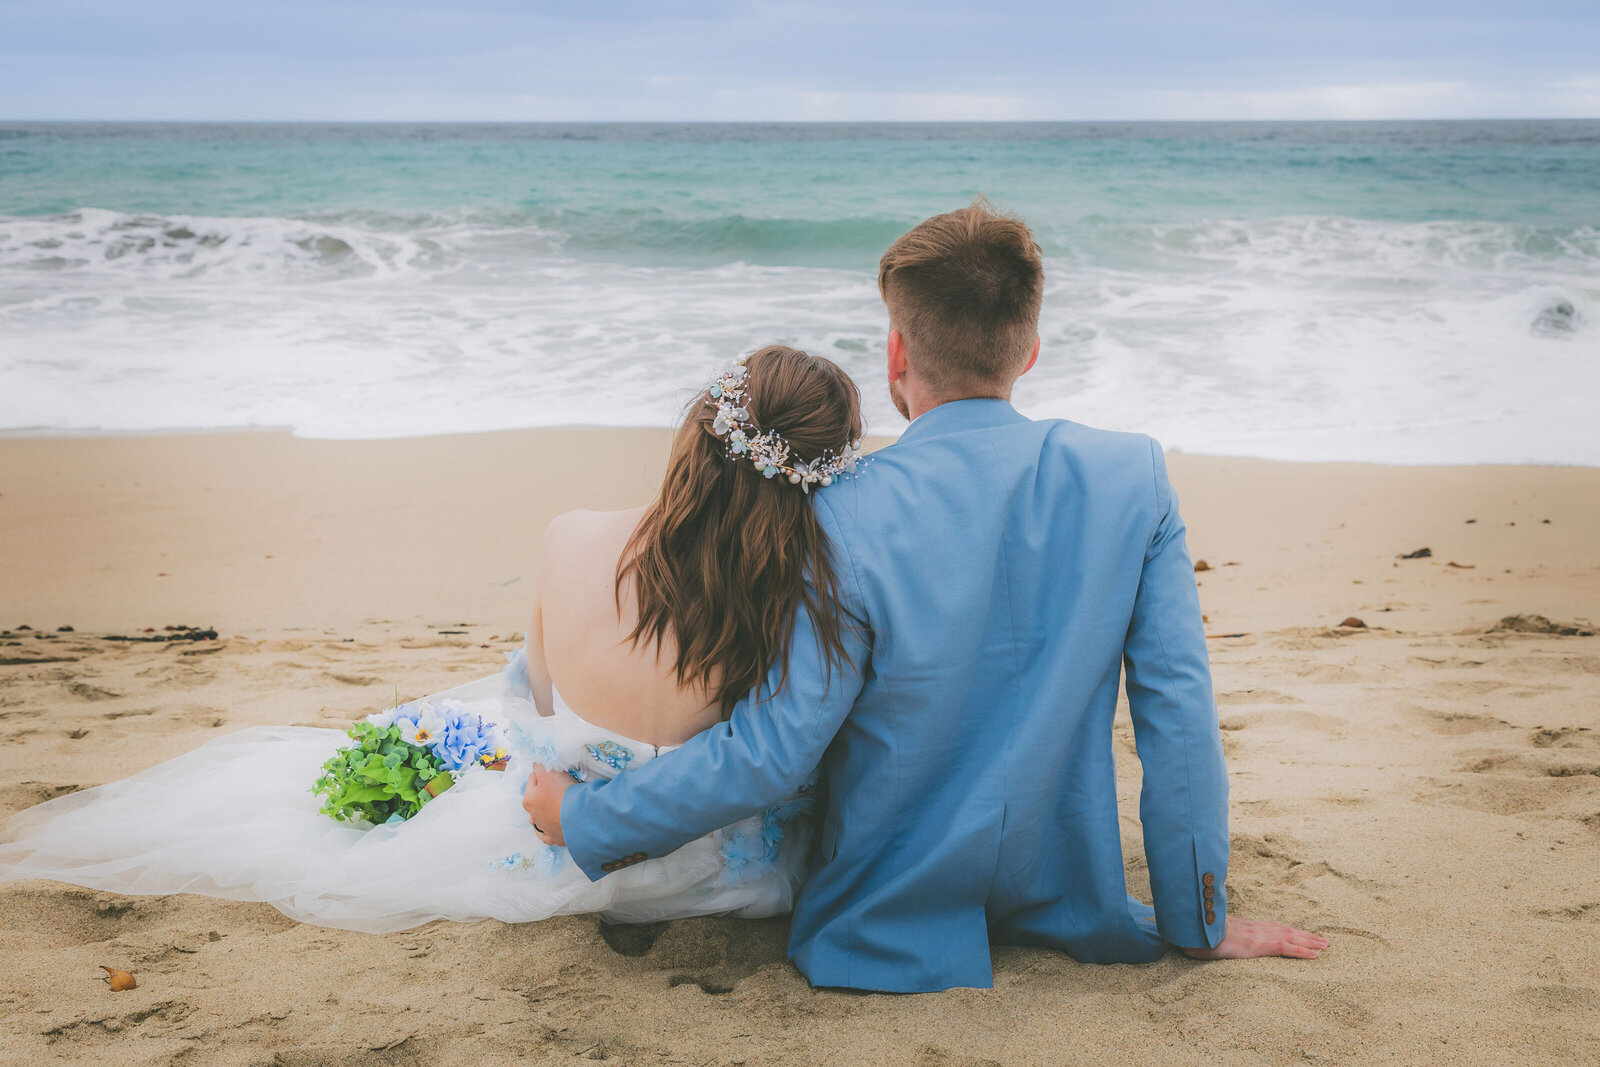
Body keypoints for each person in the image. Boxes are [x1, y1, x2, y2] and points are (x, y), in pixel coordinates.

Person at [524, 201, 1327, 992]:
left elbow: (771, 751)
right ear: (1031, 350)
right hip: (1069, 899)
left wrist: (588, 818)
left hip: (885, 918)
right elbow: (1178, 713)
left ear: (896, 353)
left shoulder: (839, 512)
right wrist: (1198, 918)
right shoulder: (1133, 478)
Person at [0, 345, 871, 932]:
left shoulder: (570, 536)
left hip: (551, 842)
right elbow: (780, 760)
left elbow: (533, 710)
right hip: (720, 884)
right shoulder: (802, 608)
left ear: (696, 431)